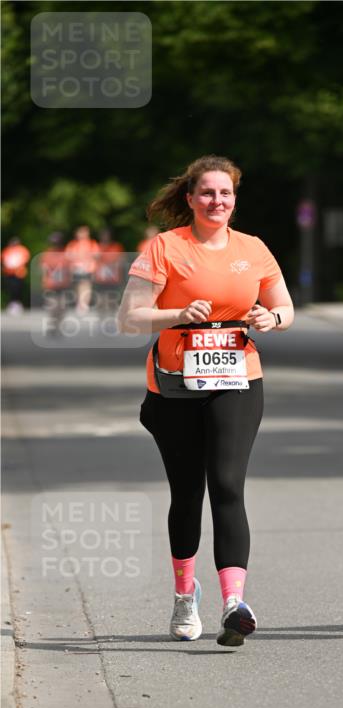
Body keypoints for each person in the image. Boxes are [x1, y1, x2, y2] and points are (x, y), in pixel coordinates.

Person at [118, 155, 294, 647]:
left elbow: (284, 307)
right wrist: (176, 313)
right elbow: (129, 317)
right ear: (191, 198)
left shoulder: (253, 250)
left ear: (235, 199)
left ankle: (234, 604)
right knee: (187, 491)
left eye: (226, 194)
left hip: (238, 378)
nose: (218, 201)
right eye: (208, 193)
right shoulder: (165, 248)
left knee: (227, 485)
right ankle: (183, 594)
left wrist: (271, 320)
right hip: (174, 385)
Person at [40, 232, 71, 335]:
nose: (55, 245)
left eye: (57, 243)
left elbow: (69, 270)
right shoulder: (47, 254)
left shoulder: (66, 254)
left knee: (61, 307)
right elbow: (44, 269)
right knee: (52, 306)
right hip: (51, 285)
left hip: (63, 285)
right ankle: (52, 326)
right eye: (54, 243)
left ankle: (59, 326)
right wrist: (44, 282)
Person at [65, 225, 100, 313]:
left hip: (88, 268)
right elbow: (67, 255)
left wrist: (87, 259)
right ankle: (79, 302)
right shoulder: (73, 244)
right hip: (77, 268)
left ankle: (84, 304)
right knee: (77, 286)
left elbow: (97, 255)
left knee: (86, 285)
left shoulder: (92, 243)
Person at [2, 236, 31, 313]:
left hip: (19, 273)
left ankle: (17, 303)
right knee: (10, 288)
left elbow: (25, 259)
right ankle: (11, 303)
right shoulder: (7, 250)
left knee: (17, 289)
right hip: (9, 273)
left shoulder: (22, 250)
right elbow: (4, 259)